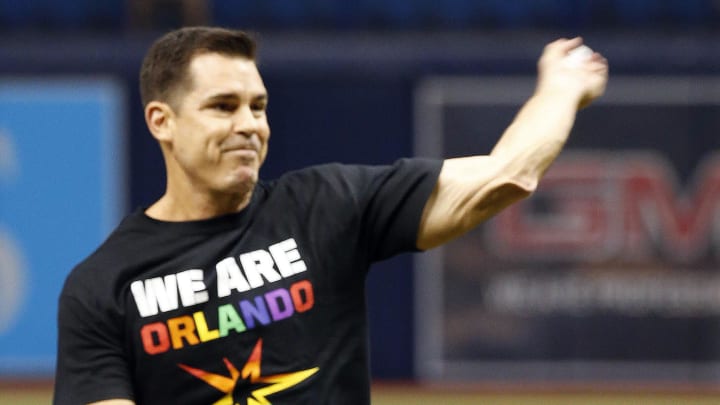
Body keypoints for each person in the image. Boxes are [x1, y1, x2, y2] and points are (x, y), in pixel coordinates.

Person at [53, 26, 608, 405]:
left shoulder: (327, 205)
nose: (249, 124)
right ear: (161, 122)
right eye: (222, 106)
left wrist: (560, 91)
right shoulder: (103, 286)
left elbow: (503, 177)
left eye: (258, 107)